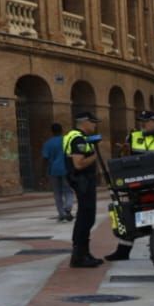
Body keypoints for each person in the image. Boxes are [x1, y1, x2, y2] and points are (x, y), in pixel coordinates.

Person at [106, 110, 154, 261]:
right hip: (139, 183)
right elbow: (125, 158)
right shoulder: (133, 136)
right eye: (141, 121)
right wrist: (124, 152)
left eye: (146, 121)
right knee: (131, 216)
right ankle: (123, 250)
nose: (142, 124)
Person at [63, 111, 103, 268]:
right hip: (82, 181)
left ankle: (83, 253)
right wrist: (95, 155)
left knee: (86, 217)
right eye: (93, 122)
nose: (94, 125)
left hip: (82, 181)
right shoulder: (78, 139)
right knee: (86, 217)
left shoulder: (77, 137)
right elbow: (78, 163)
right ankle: (79, 256)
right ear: (85, 122)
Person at [41, 123, 73, 221]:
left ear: (52, 131)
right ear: (62, 130)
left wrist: (43, 173)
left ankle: (61, 214)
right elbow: (71, 155)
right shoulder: (67, 141)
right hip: (66, 169)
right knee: (68, 191)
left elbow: (45, 159)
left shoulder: (48, 143)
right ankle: (68, 207)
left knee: (57, 193)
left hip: (53, 170)